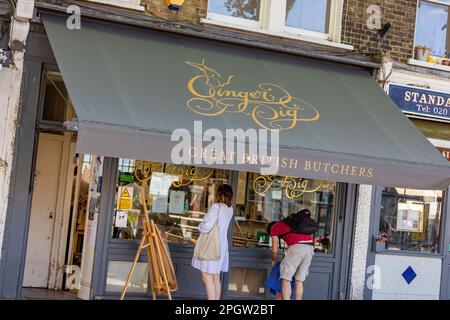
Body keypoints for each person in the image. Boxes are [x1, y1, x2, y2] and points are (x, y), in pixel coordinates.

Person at [191, 184, 234, 300]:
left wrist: (199, 226)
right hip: (221, 246)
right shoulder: (230, 209)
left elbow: (206, 226)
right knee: (216, 277)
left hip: (211, 245)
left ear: (219, 194)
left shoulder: (216, 207)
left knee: (206, 277)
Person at [269, 208, 315, 300]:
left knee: (286, 279)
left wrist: (274, 260)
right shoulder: (293, 223)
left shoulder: (274, 228)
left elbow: (274, 249)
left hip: (297, 248)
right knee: (299, 281)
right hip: (310, 248)